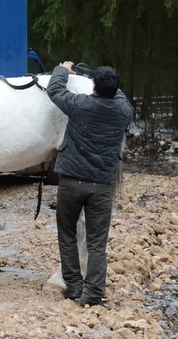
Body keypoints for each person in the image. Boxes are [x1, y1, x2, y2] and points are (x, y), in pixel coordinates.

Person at [46, 61, 133, 308]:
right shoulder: (124, 111)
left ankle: (73, 286)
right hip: (103, 187)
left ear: (93, 86)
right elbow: (118, 93)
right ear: (115, 88)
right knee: (97, 243)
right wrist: (101, 80)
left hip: (71, 182)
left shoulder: (80, 105)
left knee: (67, 234)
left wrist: (64, 70)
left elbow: (55, 90)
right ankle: (93, 295)